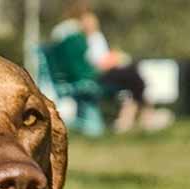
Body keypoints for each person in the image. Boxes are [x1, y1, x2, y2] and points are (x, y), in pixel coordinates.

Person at [52, 1, 173, 133]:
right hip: (94, 76)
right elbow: (94, 63)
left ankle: (130, 118)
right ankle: (141, 117)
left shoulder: (82, 37)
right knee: (133, 75)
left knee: (133, 76)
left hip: (94, 74)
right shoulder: (78, 39)